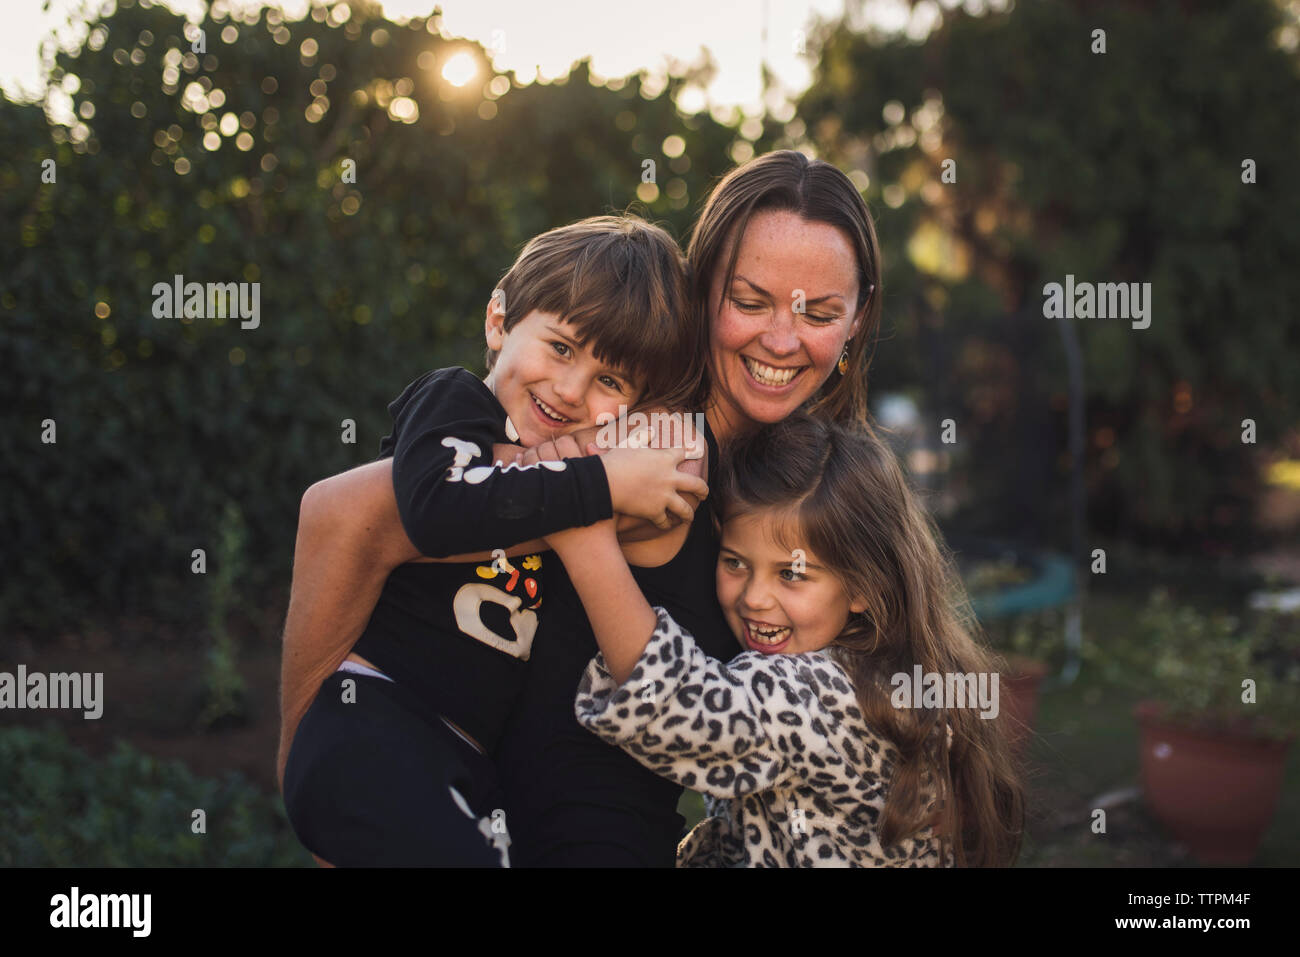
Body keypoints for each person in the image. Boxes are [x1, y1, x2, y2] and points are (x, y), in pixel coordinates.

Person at [278, 150, 897, 865]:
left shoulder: (804, 474)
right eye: (750, 301)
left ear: (857, 320)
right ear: (704, 296)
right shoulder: (638, 445)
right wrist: (316, 764)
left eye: (819, 312)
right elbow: (339, 513)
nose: (782, 340)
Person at [280, 215, 708, 866]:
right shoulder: (452, 405)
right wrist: (600, 482)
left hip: (464, 769)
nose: (570, 390)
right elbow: (433, 508)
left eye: (611, 381)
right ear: (497, 321)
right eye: (561, 347)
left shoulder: (563, 484)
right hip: (374, 724)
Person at [547, 413, 1024, 866]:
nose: (755, 598)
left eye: (792, 574)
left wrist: (585, 537)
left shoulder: (828, 692)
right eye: (735, 562)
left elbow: (679, 706)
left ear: (862, 586)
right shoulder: (882, 667)